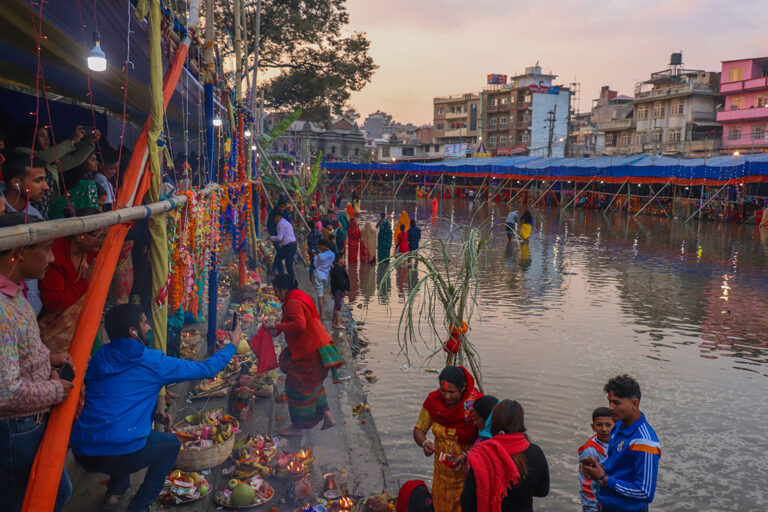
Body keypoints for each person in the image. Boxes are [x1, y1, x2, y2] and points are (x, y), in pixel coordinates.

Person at [70, 304, 239, 512]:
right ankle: (138, 507)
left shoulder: (99, 358)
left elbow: (115, 400)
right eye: (144, 322)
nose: (149, 327)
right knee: (169, 444)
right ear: (133, 331)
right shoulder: (152, 361)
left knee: (119, 430)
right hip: (117, 454)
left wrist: (152, 414)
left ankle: (115, 492)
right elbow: (209, 368)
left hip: (84, 453)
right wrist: (233, 344)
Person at [0, 214, 73, 512]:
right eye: (47, 247)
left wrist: (46, 359)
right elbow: (5, 391)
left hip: (25, 427)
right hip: (15, 430)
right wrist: (55, 390)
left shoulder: (14, 294)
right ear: (20, 252)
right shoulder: (2, 310)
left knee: (55, 492)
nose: (53, 257)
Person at [264, 274, 336, 435]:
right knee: (314, 384)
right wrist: (277, 327)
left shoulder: (292, 302)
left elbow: (299, 325)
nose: (276, 296)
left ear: (284, 289)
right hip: (318, 345)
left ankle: (298, 426)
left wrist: (277, 325)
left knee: (295, 388)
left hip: (309, 349)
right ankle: (328, 415)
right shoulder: (299, 295)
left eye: (276, 291)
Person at [581, 376, 660, 512]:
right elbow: (614, 462)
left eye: (616, 403)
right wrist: (597, 467)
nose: (611, 408)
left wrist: (603, 478)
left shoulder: (644, 442)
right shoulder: (618, 426)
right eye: (610, 402)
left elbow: (645, 493)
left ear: (634, 404)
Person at [413, 366, 482, 512]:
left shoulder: (476, 404)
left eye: (452, 392)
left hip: (467, 476)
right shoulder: (433, 402)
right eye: (443, 391)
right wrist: (424, 443)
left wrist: (466, 454)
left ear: (463, 388)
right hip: (441, 476)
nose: (447, 396)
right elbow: (419, 430)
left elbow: (487, 440)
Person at [460, 400, 549, 512]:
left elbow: (467, 503)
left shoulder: (482, 457)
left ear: (491, 424)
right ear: (521, 425)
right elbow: (542, 491)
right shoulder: (536, 453)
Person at [39, 210, 105, 353]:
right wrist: (84, 283)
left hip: (81, 331)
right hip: (53, 333)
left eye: (103, 235)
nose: (101, 240)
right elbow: (54, 302)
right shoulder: (56, 255)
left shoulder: (91, 253)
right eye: (96, 235)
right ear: (79, 235)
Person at [15, 124, 100, 218]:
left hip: (44, 212)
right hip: (23, 213)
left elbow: (74, 160)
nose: (47, 139)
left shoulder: (51, 163)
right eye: (42, 136)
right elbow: (44, 157)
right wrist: (72, 141)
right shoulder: (22, 153)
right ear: (31, 137)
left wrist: (89, 142)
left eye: (48, 136)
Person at [578, 407, 614, 512]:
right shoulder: (590, 452)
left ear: (616, 425)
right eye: (599, 425)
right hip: (600, 505)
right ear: (593, 427)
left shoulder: (618, 443)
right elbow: (586, 486)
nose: (604, 429)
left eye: (608, 425)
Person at [3, 154, 49, 219]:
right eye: (38, 180)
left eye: (45, 180)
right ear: (16, 184)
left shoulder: (35, 216)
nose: (46, 187)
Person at [270, 210, 297, 279]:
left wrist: (271, 238)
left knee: (288, 265)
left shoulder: (280, 224)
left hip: (289, 246)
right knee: (278, 259)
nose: (274, 220)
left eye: (275, 218)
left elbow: (279, 237)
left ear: (278, 217)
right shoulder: (285, 222)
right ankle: (282, 276)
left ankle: (292, 282)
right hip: (290, 245)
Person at [313, 238, 335, 314]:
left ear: (323, 246)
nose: (319, 248)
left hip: (319, 275)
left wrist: (315, 256)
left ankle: (322, 314)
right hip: (326, 276)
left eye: (320, 246)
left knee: (319, 296)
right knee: (323, 294)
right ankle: (323, 311)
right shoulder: (332, 254)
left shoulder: (320, 256)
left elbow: (316, 265)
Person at [330, 251, 350, 329]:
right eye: (343, 258)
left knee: (336, 306)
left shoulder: (336, 268)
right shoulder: (339, 270)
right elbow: (341, 281)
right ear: (339, 260)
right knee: (338, 307)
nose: (344, 260)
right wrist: (344, 288)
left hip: (336, 289)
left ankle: (334, 322)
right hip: (339, 290)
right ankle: (337, 323)